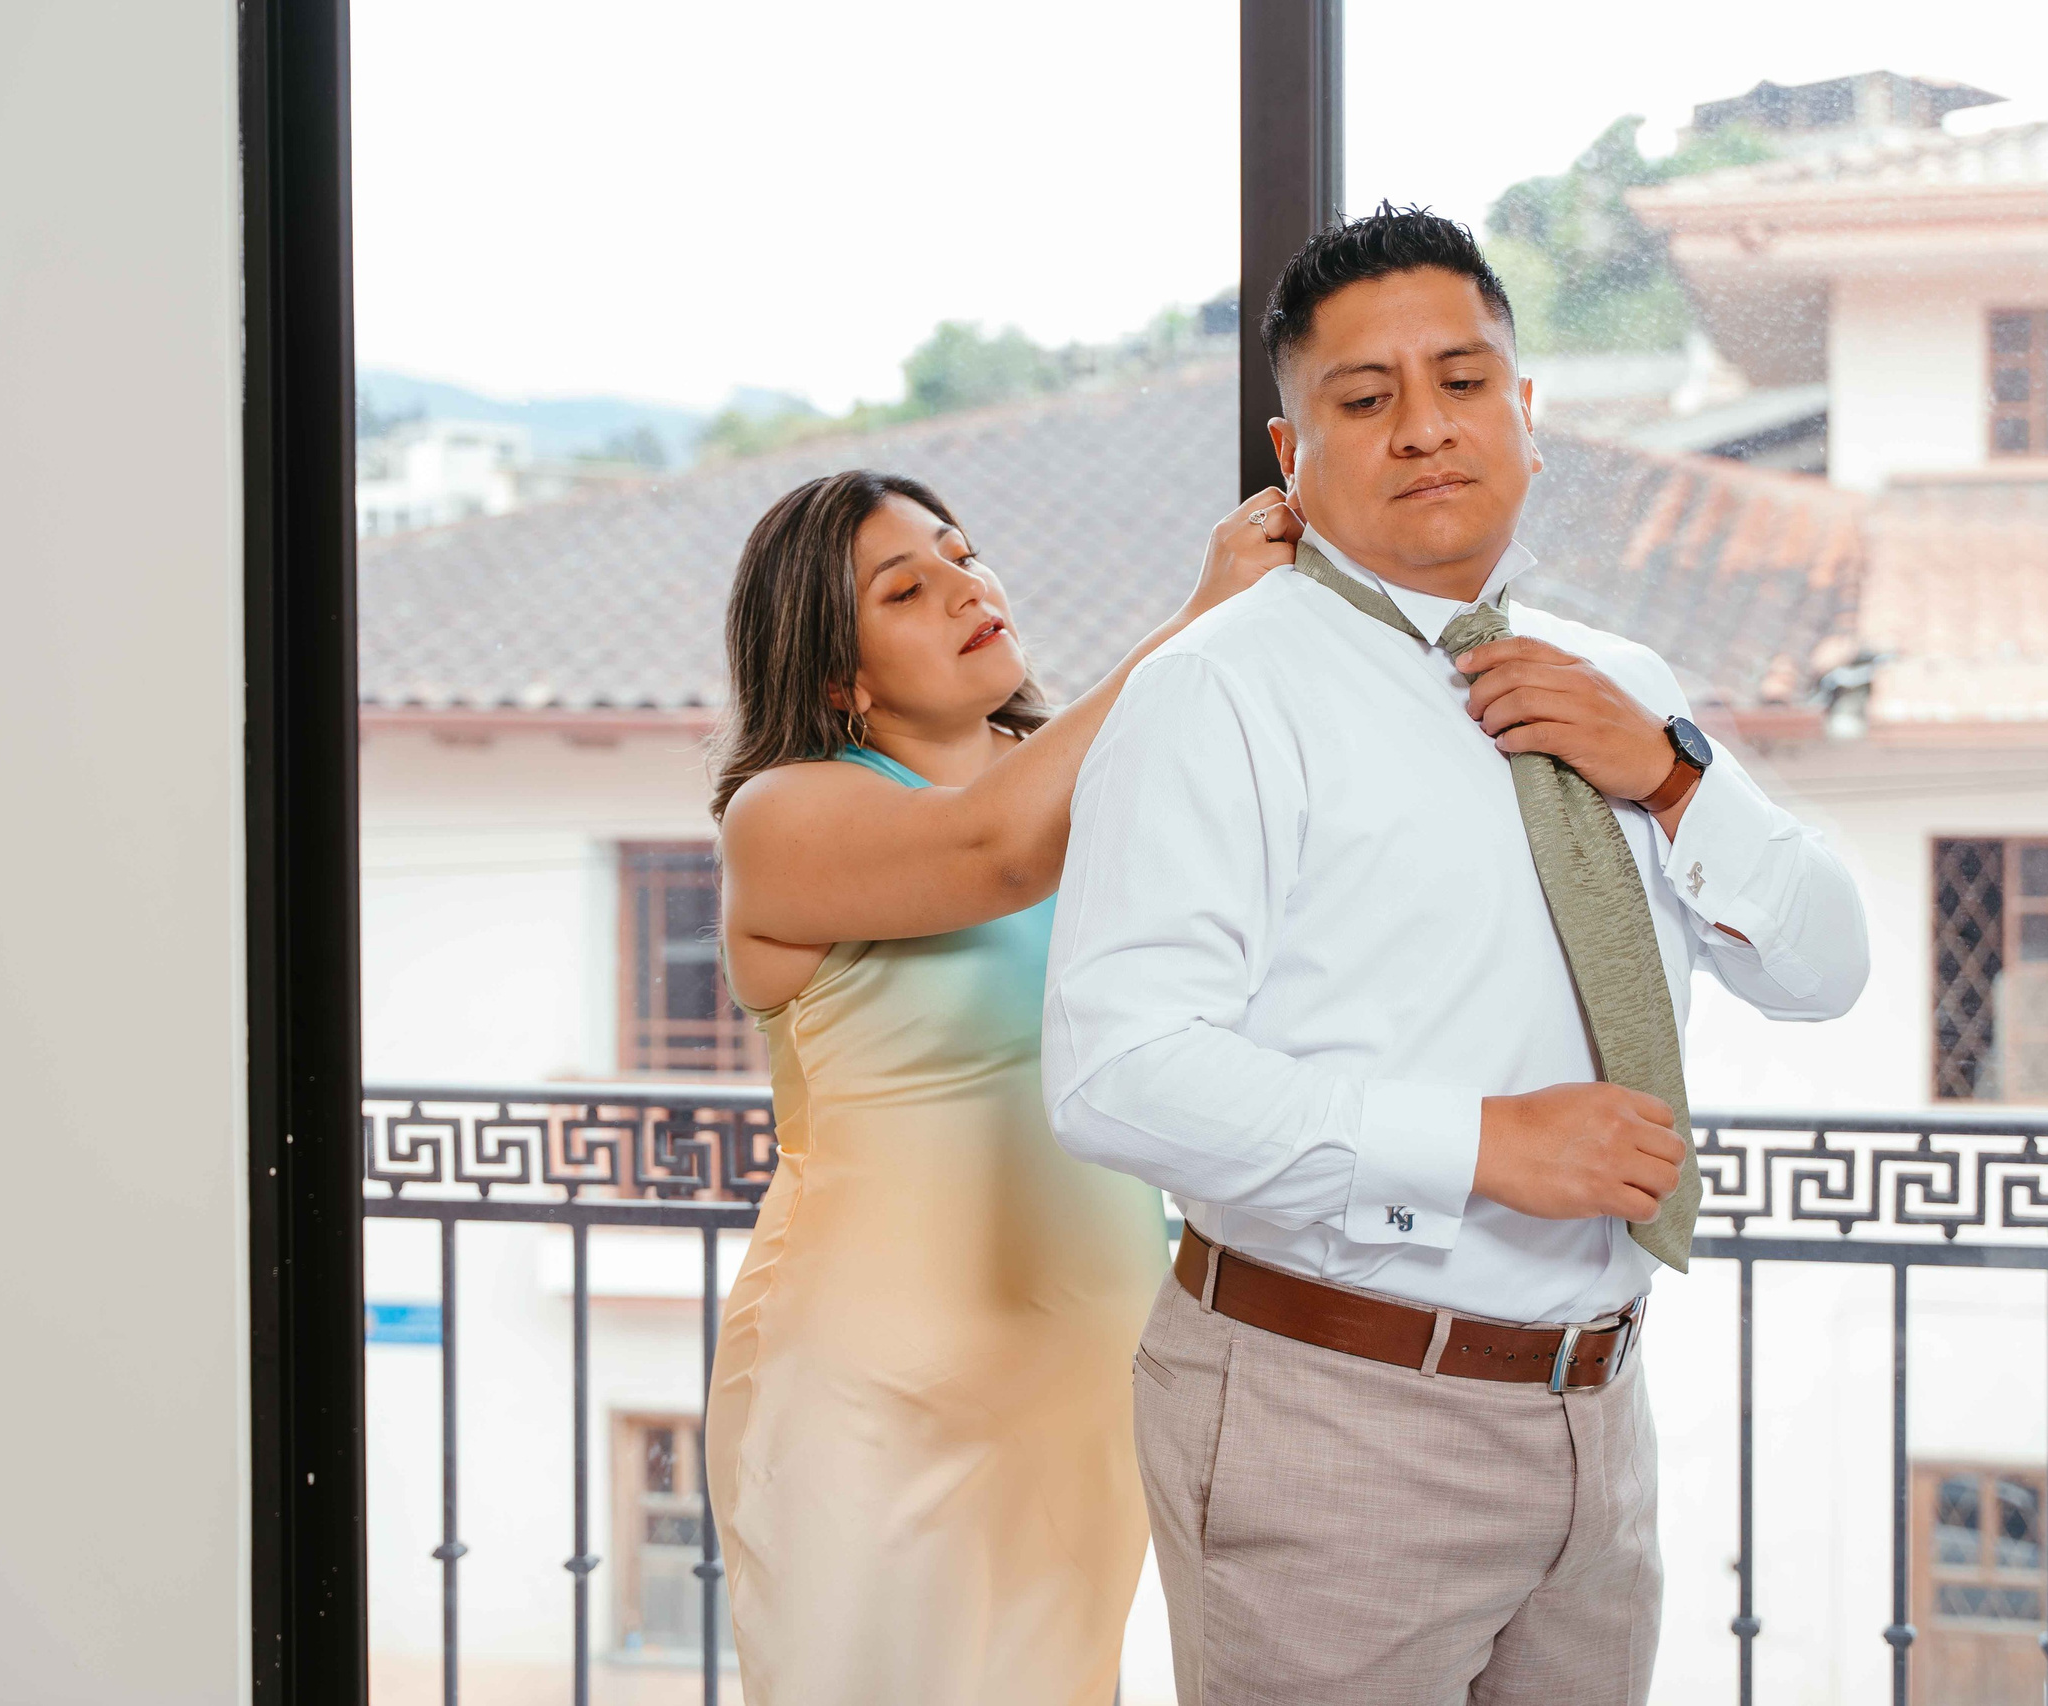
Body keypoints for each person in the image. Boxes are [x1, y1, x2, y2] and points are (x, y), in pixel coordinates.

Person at [1043, 206, 1871, 1702]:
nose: (1426, 426)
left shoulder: (1618, 681)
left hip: (1598, 1410)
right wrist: (1485, 1144)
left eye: (1465, 380)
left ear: (1527, 412)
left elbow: (1824, 966)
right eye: (1366, 398)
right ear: (1292, 455)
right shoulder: (1215, 693)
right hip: (1332, 1412)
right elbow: (1116, 1072)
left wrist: (1671, 773)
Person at [704, 467, 1298, 1706]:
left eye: (963, 553)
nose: (965, 585)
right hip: (876, 1395)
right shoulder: (784, 813)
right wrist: (1200, 616)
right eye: (904, 587)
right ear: (837, 674)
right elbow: (992, 848)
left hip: (1087, 1373)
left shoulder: (1070, 772)